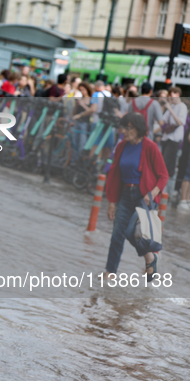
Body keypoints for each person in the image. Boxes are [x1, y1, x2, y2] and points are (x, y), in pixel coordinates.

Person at [104, 112, 168, 281]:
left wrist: (151, 194)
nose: (124, 131)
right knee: (117, 233)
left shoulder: (150, 147)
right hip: (125, 195)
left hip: (144, 197)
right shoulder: (121, 146)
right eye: (123, 127)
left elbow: (163, 176)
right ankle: (110, 272)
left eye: (128, 127)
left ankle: (150, 257)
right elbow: (115, 174)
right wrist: (112, 202)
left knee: (133, 232)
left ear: (138, 129)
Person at [161, 87, 188, 195]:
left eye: (171, 95)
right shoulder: (171, 106)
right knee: (164, 163)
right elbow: (162, 121)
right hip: (166, 138)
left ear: (177, 94)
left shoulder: (182, 107)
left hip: (175, 139)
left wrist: (170, 109)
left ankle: (167, 191)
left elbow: (180, 122)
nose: (170, 98)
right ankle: (164, 189)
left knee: (169, 165)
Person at [71, 82, 96, 152]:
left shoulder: (92, 99)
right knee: (74, 141)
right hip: (76, 122)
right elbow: (74, 112)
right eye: (80, 90)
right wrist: (76, 105)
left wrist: (83, 105)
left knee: (82, 142)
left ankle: (80, 159)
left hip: (85, 123)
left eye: (83, 90)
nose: (82, 92)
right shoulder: (80, 99)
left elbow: (91, 111)